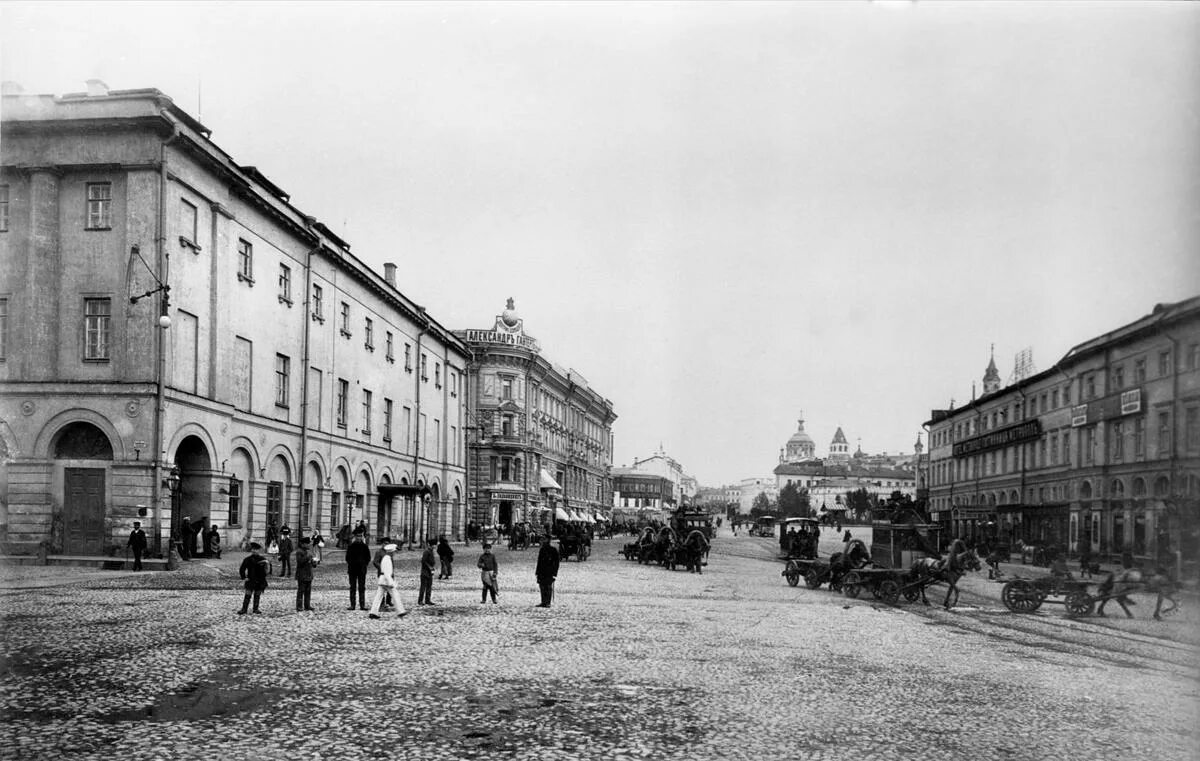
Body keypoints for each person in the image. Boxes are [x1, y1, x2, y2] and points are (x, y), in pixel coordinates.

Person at [368, 543, 407, 619]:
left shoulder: (386, 558)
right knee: (395, 595)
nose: (394, 553)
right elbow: (387, 573)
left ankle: (373, 612)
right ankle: (400, 611)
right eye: (394, 552)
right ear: (391, 552)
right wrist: (391, 582)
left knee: (378, 597)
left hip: (382, 580)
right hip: (386, 580)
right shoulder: (387, 559)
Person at [238, 542, 271, 615]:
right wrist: (244, 577)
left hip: (260, 580)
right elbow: (242, 569)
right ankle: (244, 609)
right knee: (247, 595)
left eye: (256, 549)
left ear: (258, 550)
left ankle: (255, 609)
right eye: (253, 549)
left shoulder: (263, 559)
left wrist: (267, 567)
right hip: (251, 580)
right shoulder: (248, 559)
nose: (254, 551)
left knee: (257, 595)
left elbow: (268, 570)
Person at [345, 526, 371, 610]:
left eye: (361, 536)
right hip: (352, 570)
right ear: (355, 537)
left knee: (362, 587)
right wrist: (352, 564)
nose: (359, 537)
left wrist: (364, 565)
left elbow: (368, 558)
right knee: (352, 587)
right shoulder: (351, 546)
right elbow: (347, 558)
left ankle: (362, 605)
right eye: (358, 536)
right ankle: (352, 605)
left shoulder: (365, 547)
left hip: (362, 570)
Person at [535, 533, 561, 608]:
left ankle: (547, 602)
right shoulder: (542, 549)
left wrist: (554, 572)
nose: (543, 541)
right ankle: (543, 601)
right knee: (542, 586)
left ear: (548, 540)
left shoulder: (553, 550)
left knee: (548, 586)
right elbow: (539, 562)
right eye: (543, 539)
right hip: (542, 571)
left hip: (549, 571)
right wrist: (537, 572)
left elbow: (556, 562)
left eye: (545, 539)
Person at [294, 536, 318, 612]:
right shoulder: (299, 552)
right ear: (303, 544)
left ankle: (307, 605)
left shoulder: (309, 552)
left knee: (308, 591)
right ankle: (299, 606)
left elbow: (311, 563)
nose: (309, 545)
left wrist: (314, 563)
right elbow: (300, 562)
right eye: (307, 544)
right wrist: (307, 557)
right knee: (301, 591)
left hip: (309, 574)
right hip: (301, 574)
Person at [418, 538, 437, 606]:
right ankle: (420, 600)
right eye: (434, 545)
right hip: (425, 571)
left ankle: (427, 600)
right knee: (423, 587)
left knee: (429, 586)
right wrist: (430, 567)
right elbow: (423, 561)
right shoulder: (427, 551)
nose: (435, 546)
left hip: (429, 571)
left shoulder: (431, 551)